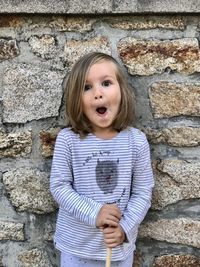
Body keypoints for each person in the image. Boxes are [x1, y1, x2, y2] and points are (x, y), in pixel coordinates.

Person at [50, 52, 154, 267]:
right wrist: (95, 212)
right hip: (76, 249)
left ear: (122, 91)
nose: (98, 93)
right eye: (86, 87)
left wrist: (124, 228)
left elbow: (143, 192)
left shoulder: (136, 142)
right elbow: (59, 187)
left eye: (106, 83)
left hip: (117, 250)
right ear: (76, 99)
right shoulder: (68, 140)